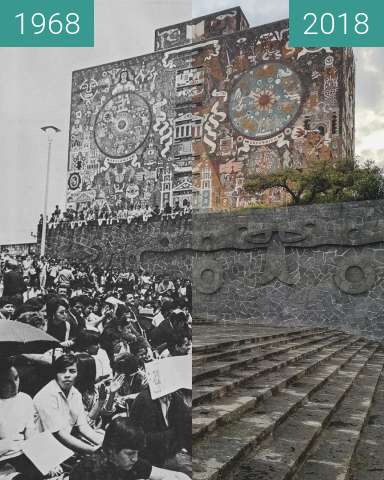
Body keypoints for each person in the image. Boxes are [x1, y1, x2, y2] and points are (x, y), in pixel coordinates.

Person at [70, 417, 190, 480]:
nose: (135, 458)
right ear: (111, 450)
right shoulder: (85, 472)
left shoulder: (131, 463)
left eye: (137, 453)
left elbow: (177, 477)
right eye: (130, 453)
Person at [33, 354, 104, 454]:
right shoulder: (47, 395)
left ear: (78, 373)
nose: (67, 375)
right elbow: (58, 433)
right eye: (62, 371)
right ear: (56, 373)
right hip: (42, 447)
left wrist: (103, 443)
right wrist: (91, 450)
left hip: (63, 443)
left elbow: (83, 426)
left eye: (72, 371)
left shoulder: (76, 394)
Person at [0, 361, 41, 480]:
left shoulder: (25, 399)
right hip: (4, 458)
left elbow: (30, 432)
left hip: (23, 453)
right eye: (7, 381)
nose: (14, 384)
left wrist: (41, 458)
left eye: (16, 378)